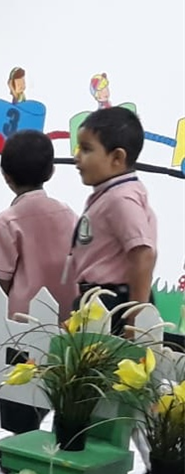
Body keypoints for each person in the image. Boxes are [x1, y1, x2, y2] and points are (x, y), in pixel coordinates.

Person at [0, 131, 78, 458]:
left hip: (21, 323)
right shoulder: (67, 213)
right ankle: (43, 441)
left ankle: (19, 444)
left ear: (5, 175)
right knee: (55, 381)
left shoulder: (7, 221)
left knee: (19, 384)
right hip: (65, 317)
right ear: (51, 170)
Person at [70, 107, 157, 335]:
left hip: (114, 304)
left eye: (86, 149)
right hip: (101, 300)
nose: (76, 157)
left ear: (117, 158)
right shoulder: (111, 195)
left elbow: (143, 253)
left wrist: (134, 318)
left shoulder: (121, 199)